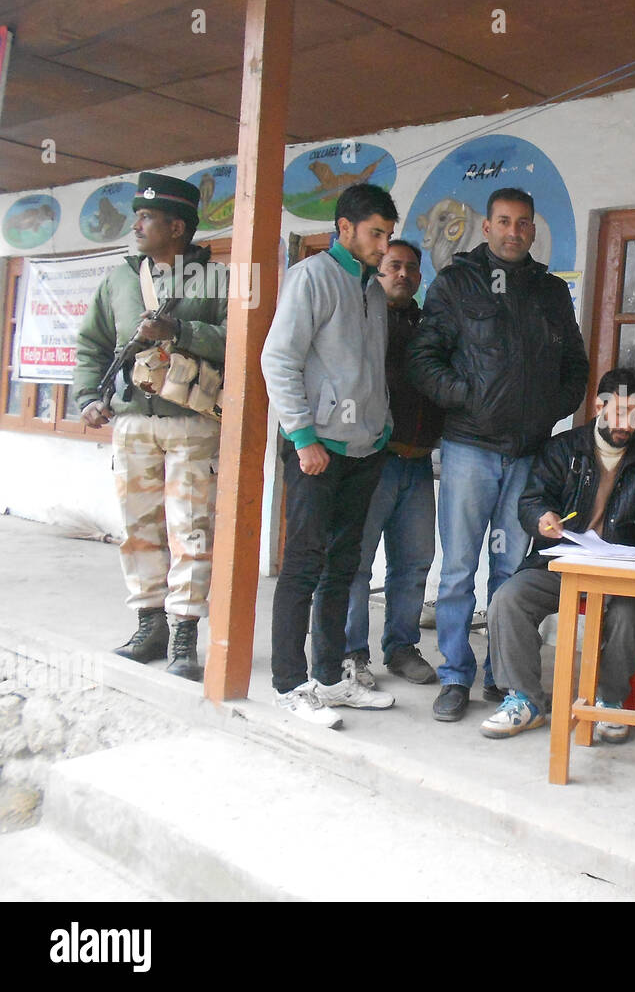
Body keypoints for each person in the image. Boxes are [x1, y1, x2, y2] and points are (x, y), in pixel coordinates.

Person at [408, 187, 589, 723]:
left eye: (524, 223)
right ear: (486, 227)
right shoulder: (457, 282)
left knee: (511, 569)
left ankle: (502, 677)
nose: (514, 231)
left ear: (533, 231)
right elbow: (424, 358)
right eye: (504, 222)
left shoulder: (551, 291)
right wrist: (469, 399)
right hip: (469, 448)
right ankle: (455, 675)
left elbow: (575, 365)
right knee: (460, 567)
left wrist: (548, 410)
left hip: (530, 453)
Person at [480, 367, 635, 740]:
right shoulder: (563, 448)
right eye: (618, 411)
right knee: (509, 599)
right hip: (562, 562)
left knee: (629, 613)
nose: (626, 423)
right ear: (599, 405)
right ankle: (524, 700)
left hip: (618, 571)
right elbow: (532, 500)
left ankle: (609, 702)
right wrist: (541, 518)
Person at [73, 172, 227, 682]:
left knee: (192, 530)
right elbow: (92, 345)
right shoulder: (118, 280)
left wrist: (180, 330)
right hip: (134, 421)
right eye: (137, 215)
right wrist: (88, 396)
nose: (136, 225)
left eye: (147, 217)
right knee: (139, 529)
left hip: (193, 422)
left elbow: (243, 341)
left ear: (177, 226)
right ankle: (149, 625)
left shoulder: (219, 278)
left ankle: (184, 634)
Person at [261, 183, 400, 728]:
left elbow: (369, 368)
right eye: (375, 233)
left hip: (365, 449)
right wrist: (302, 437)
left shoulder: (371, 288)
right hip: (317, 451)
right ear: (344, 228)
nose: (383, 245)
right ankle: (289, 685)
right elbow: (279, 360)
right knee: (302, 566)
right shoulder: (311, 278)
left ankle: (327, 677)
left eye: (388, 235)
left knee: (344, 567)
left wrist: (381, 426)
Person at [313, 239, 444, 689]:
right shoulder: (362, 320)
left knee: (414, 562)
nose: (403, 274)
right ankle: (352, 654)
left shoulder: (429, 326)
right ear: (378, 271)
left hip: (418, 461)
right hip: (372, 459)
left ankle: (402, 647)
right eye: (394, 266)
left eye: (411, 268)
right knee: (356, 561)